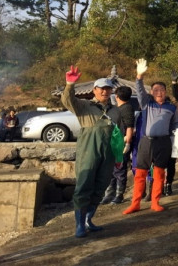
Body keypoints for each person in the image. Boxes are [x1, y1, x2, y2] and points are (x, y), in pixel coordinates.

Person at [61, 66, 121, 237]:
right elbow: (68, 101)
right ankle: (80, 225)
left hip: (108, 153)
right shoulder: (84, 106)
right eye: (101, 88)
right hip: (89, 151)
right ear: (94, 90)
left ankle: (88, 220)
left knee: (101, 186)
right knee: (84, 186)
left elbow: (117, 135)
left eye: (108, 88)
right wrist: (69, 84)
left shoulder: (115, 111)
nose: (104, 91)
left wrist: (118, 156)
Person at [123, 59, 178, 215]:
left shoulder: (171, 108)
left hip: (163, 142)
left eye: (161, 90)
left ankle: (155, 202)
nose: (159, 92)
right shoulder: (147, 104)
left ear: (165, 92)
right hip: (146, 142)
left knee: (159, 173)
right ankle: (135, 204)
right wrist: (139, 76)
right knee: (140, 173)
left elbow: (176, 124)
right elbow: (140, 90)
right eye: (155, 90)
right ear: (152, 92)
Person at [101, 86, 135, 205]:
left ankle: (119, 195)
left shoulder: (126, 108)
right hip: (113, 142)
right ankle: (109, 194)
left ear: (116, 96)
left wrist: (128, 143)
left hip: (121, 142)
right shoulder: (116, 108)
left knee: (119, 169)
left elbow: (130, 127)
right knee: (110, 169)